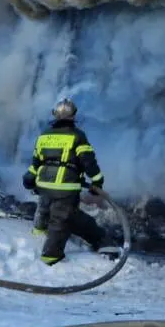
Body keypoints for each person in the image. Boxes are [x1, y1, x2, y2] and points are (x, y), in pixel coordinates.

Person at [22, 98, 114, 265]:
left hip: (43, 185)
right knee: (60, 219)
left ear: (55, 116)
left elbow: (36, 163)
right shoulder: (77, 136)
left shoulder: (44, 136)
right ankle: (51, 256)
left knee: (45, 208)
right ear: (73, 116)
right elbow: (89, 162)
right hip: (64, 188)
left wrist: (29, 179)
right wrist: (97, 182)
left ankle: (38, 232)